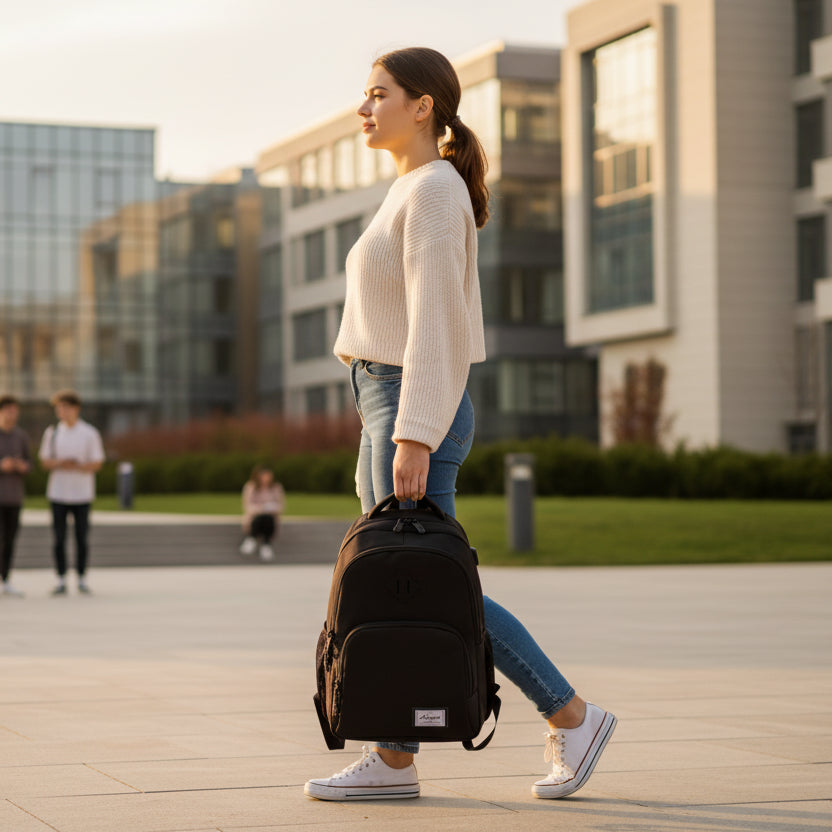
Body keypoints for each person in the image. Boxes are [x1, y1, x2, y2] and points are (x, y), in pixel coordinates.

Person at [304, 47, 616, 802]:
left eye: (378, 94)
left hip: (411, 400)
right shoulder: (411, 188)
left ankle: (571, 717)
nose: (363, 108)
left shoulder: (436, 190)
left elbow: (437, 322)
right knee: (405, 583)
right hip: (384, 397)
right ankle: (395, 758)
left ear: (423, 106)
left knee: (433, 585)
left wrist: (414, 432)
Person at [38, 389, 105, 595]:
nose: (62, 412)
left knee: (81, 538)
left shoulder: (89, 433)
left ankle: (82, 577)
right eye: (59, 408)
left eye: (65, 407)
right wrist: (60, 463)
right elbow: (45, 461)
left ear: (76, 409)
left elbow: (97, 462)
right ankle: (60, 578)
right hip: (58, 493)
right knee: (59, 538)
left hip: (82, 494)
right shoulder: (52, 433)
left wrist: (78, 466)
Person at [0, 395, 31, 597]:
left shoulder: (21, 436)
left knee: (9, 540)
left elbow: (30, 463)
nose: (12, 415)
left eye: (15, 411)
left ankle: (5, 579)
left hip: (14, 498)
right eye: (8, 411)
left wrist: (22, 466)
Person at [240, 465, 285, 562]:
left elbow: (280, 505)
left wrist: (271, 507)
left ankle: (264, 544)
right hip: (255, 516)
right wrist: (260, 508)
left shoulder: (276, 487)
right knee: (261, 518)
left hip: (271, 516)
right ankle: (254, 539)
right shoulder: (251, 487)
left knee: (268, 518)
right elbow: (247, 505)